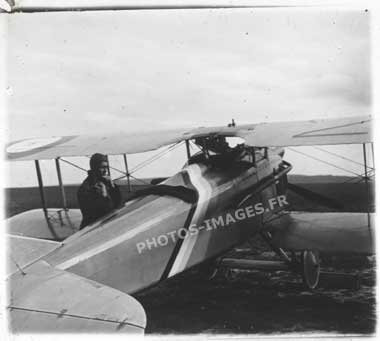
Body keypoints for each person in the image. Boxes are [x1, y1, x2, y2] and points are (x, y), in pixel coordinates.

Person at [77, 153, 121, 229]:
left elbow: (119, 205)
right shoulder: (85, 188)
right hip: (93, 229)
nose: (105, 171)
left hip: (106, 225)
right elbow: (99, 213)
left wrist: (113, 187)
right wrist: (104, 196)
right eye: (102, 167)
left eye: (106, 167)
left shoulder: (106, 183)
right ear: (94, 167)